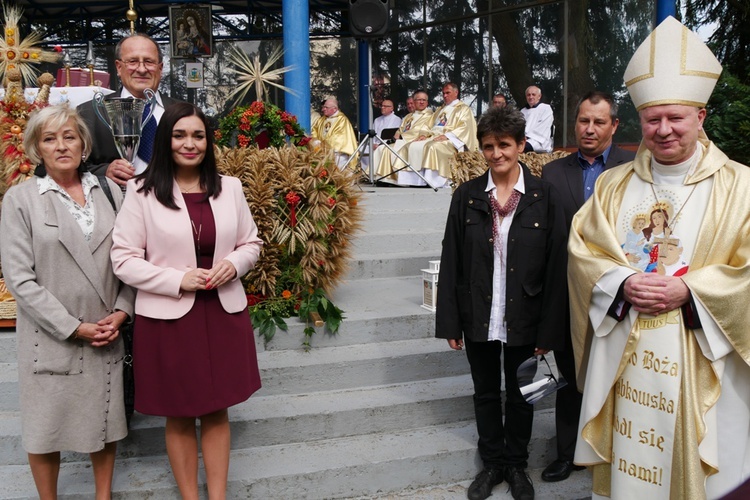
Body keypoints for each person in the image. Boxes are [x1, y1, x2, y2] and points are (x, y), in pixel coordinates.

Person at [569, 17, 750, 499]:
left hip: (701, 359)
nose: (664, 130)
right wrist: (620, 284)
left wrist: (691, 290)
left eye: (676, 118)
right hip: (625, 356)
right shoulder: (612, 185)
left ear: (701, 117)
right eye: (653, 119)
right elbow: (583, 253)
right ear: (640, 121)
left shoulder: (741, 187)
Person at [110, 103, 263, 499]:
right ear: (166, 140)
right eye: (180, 135)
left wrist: (233, 263)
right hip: (170, 318)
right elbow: (123, 260)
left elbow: (251, 243)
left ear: (208, 141)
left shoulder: (230, 187)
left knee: (217, 408)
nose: (189, 144)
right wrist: (178, 279)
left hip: (223, 311)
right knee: (179, 413)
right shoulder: (141, 192)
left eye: (198, 135)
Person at [0, 105, 134, 499]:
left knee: (105, 420)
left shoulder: (110, 191)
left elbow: (131, 260)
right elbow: (20, 279)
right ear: (36, 148)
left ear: (84, 143)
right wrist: (74, 327)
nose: (61, 146)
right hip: (53, 337)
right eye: (49, 138)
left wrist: (123, 311)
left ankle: (103, 495)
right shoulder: (21, 200)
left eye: (69, 136)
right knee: (46, 429)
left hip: (106, 330)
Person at [436, 106, 567, 500]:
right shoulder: (468, 195)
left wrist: (549, 329)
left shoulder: (545, 196)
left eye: (504, 145)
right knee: (486, 392)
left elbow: (558, 264)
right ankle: (492, 463)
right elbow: (453, 258)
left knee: (522, 393)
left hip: (525, 315)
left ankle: (516, 465)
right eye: (489, 146)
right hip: (480, 312)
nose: (497, 154)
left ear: (521, 145)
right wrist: (450, 322)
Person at [540, 91, 635, 483]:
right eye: (583, 121)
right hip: (567, 293)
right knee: (572, 375)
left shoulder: (634, 168)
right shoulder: (553, 173)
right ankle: (569, 453)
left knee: (620, 376)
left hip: (621, 294)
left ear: (614, 125)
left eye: (599, 122)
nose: (590, 129)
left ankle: (620, 454)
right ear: (574, 123)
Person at [78, 33, 185, 186]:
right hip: (115, 205)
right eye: (133, 61)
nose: (141, 69)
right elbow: (73, 167)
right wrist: (105, 172)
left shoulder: (185, 113)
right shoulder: (89, 113)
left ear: (160, 68)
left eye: (149, 61)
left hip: (175, 201)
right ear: (119, 67)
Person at [395, 82, 478, 187]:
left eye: (448, 93)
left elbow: (465, 127)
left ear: (456, 92)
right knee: (410, 146)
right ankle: (414, 181)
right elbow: (428, 125)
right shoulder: (440, 109)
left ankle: (432, 180)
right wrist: (424, 135)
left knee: (432, 147)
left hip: (451, 140)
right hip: (433, 137)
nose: (445, 96)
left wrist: (448, 136)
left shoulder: (463, 109)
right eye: (443, 93)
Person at [374, 90, 434, 182]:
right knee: (381, 148)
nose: (421, 102)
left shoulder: (431, 116)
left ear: (427, 102)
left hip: (415, 141)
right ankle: (381, 177)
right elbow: (400, 130)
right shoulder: (408, 116)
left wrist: (402, 137)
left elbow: (424, 130)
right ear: (414, 102)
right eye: (419, 100)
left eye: (424, 100)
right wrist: (397, 135)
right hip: (402, 140)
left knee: (387, 149)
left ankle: (391, 179)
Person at [311, 97, 358, 169]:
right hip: (321, 152)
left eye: (326, 107)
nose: (323, 109)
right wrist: (315, 141)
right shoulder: (321, 120)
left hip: (337, 155)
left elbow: (338, 138)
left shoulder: (342, 120)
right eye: (323, 107)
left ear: (334, 109)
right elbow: (314, 131)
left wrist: (322, 144)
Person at [362, 99, 402, 171]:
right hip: (374, 144)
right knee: (361, 149)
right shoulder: (377, 120)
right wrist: (372, 144)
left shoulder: (397, 120)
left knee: (380, 149)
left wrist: (380, 145)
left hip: (387, 145)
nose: (382, 108)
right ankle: (365, 172)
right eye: (382, 106)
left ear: (391, 108)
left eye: (385, 106)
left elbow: (392, 136)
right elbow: (373, 134)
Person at [520, 86, 554, 153]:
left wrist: (527, 136)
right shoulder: (522, 111)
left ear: (539, 96)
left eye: (533, 94)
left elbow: (543, 127)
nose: (531, 97)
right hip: (524, 139)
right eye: (528, 95)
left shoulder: (546, 108)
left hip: (538, 141)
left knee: (521, 148)